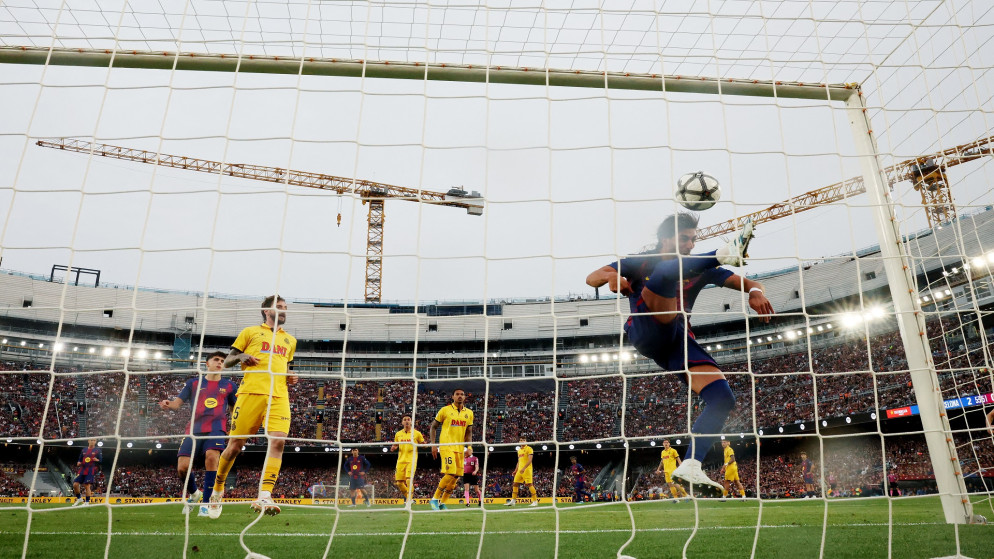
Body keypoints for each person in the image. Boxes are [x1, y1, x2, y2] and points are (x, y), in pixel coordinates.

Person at [585, 212, 769, 490]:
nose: (690, 244)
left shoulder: (703, 268)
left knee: (722, 398)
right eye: (685, 239)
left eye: (694, 240)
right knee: (664, 273)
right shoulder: (640, 262)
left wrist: (756, 291)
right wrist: (611, 277)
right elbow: (592, 277)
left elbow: (750, 283)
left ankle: (692, 465)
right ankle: (725, 252)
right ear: (665, 238)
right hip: (646, 329)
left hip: (678, 339)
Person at [207, 294, 298, 519]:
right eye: (279, 307)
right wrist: (243, 357)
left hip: (278, 396)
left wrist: (290, 376)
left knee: (278, 441)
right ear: (267, 311)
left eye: (285, 307)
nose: (284, 310)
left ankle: (265, 494)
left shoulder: (290, 340)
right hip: (250, 394)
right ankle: (217, 490)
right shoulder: (250, 332)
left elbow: (285, 367)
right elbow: (227, 361)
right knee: (235, 446)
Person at [158, 351, 237, 516]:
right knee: (182, 468)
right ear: (207, 364)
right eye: (216, 359)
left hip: (217, 428)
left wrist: (235, 425)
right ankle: (195, 493)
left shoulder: (229, 386)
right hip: (193, 429)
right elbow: (177, 404)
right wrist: (168, 404)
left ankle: (206, 504)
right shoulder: (193, 383)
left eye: (222, 360)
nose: (220, 362)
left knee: (212, 457)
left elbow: (233, 409)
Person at [429, 388, 474, 510]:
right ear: (453, 397)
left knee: (456, 477)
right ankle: (434, 499)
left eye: (462, 394)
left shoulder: (469, 413)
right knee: (450, 473)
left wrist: (469, 447)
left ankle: (442, 503)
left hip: (459, 448)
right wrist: (433, 445)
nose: (460, 396)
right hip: (446, 446)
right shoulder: (445, 410)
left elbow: (468, 432)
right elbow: (433, 427)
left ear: (465, 397)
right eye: (457, 394)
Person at [390, 415, 424, 503]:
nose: (407, 421)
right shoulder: (398, 434)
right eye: (405, 420)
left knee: (409, 480)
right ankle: (410, 499)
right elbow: (395, 445)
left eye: (408, 419)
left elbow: (423, 444)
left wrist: (425, 445)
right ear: (402, 422)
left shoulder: (417, 433)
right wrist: (393, 447)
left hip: (411, 460)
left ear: (411, 422)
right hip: (400, 460)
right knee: (399, 483)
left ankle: (408, 500)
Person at [505, 436, 538, 507]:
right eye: (521, 440)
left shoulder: (529, 449)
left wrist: (524, 468)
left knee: (530, 484)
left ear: (526, 441)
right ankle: (513, 501)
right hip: (519, 470)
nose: (522, 441)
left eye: (524, 440)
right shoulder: (519, 450)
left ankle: (535, 501)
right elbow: (519, 461)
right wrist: (515, 470)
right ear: (519, 441)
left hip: (527, 470)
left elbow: (530, 460)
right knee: (515, 484)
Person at [72, 438, 101, 506]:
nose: (92, 441)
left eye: (94, 440)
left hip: (90, 469)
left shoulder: (97, 450)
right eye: (91, 440)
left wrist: (97, 460)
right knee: (75, 484)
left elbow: (101, 460)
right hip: (82, 469)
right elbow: (80, 458)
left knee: (87, 486)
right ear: (88, 441)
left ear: (95, 442)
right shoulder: (84, 449)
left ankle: (87, 502)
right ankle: (79, 498)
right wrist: (79, 462)